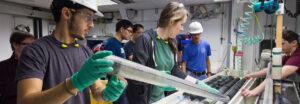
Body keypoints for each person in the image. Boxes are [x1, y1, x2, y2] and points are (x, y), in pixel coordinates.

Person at [15, 0, 126, 104]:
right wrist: (75, 83)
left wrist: (106, 94)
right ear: (67, 13)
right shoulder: (36, 51)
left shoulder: (85, 51)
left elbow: (97, 88)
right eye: (88, 17)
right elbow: (26, 101)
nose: (92, 24)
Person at [125, 2, 219, 104]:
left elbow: (174, 69)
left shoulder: (172, 41)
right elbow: (136, 75)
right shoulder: (146, 40)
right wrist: (157, 79)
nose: (182, 28)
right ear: (171, 22)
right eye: (181, 24)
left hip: (160, 96)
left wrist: (196, 83)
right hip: (144, 99)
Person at [241, 30, 300, 97]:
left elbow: (277, 74)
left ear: (294, 43)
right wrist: (252, 75)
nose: (279, 47)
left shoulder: (297, 56)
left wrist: (254, 91)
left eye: (282, 44)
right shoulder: (289, 54)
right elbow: (272, 68)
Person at [0, 31, 34, 104]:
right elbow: (6, 90)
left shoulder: (36, 65)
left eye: (33, 45)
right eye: (27, 44)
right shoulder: (3, 66)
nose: (32, 48)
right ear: (15, 45)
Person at [104, 19, 133, 104]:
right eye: (129, 31)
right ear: (121, 29)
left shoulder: (120, 44)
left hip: (121, 84)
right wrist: (121, 78)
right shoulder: (112, 43)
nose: (130, 34)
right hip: (116, 84)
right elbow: (108, 66)